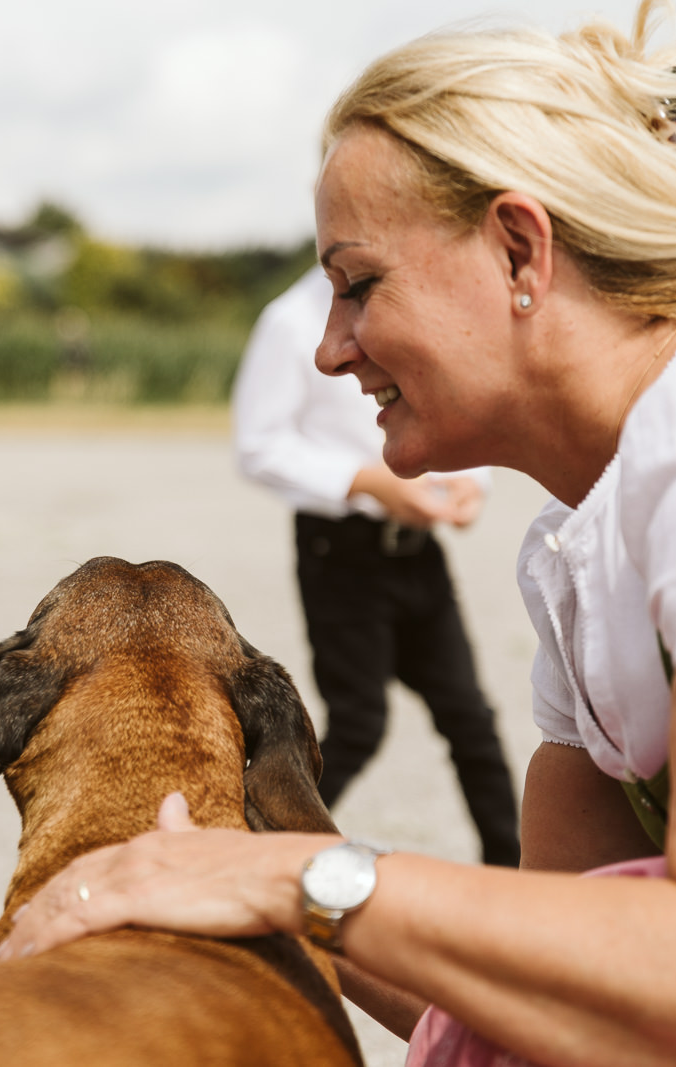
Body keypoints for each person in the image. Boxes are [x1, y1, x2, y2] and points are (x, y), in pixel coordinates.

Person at [0, 4, 676, 1064]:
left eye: (358, 284)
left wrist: (283, 876)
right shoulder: (581, 545)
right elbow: (557, 973)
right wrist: (219, 863)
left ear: (520, 248)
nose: (329, 352)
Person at [233, 264, 521, 866]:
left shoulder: (412, 304)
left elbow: (449, 396)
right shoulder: (291, 322)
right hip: (341, 552)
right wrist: (364, 482)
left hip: (418, 549)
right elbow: (258, 445)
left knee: (470, 718)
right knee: (359, 722)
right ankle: (255, 846)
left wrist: (471, 480)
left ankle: (512, 864)